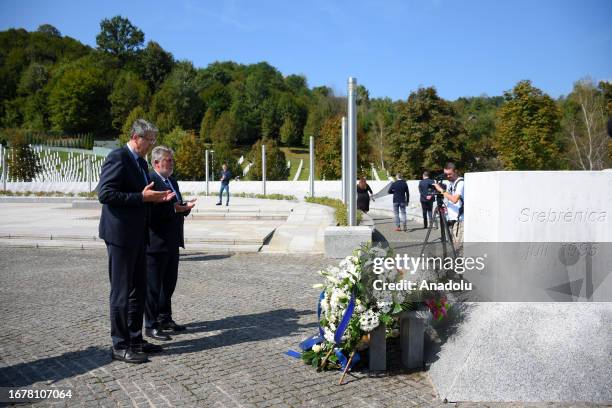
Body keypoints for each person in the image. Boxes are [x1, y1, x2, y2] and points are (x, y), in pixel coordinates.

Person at [98, 119, 175, 364]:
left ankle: (135, 338)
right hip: (120, 236)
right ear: (135, 136)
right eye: (149, 140)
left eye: (153, 140)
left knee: (138, 290)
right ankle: (119, 345)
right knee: (121, 293)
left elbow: (142, 198)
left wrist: (156, 199)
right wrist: (141, 197)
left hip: (138, 236)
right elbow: (106, 194)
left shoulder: (140, 162)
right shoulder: (118, 157)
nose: (151, 144)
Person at [145, 146, 196, 342]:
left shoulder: (171, 181)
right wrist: (175, 210)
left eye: (172, 159)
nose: (172, 163)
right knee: (153, 286)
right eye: (168, 160)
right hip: (156, 242)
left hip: (172, 240)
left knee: (168, 284)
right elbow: (151, 213)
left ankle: (165, 318)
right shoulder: (151, 181)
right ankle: (151, 325)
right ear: (157, 163)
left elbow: (176, 207)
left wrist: (185, 208)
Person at [433, 162, 464, 246]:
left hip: (459, 220)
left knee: (458, 249)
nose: (448, 176)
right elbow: (450, 198)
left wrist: (441, 190)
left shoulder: (460, 183)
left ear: (456, 171)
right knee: (453, 247)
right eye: (446, 174)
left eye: (450, 174)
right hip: (451, 218)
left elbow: (454, 200)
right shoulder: (451, 183)